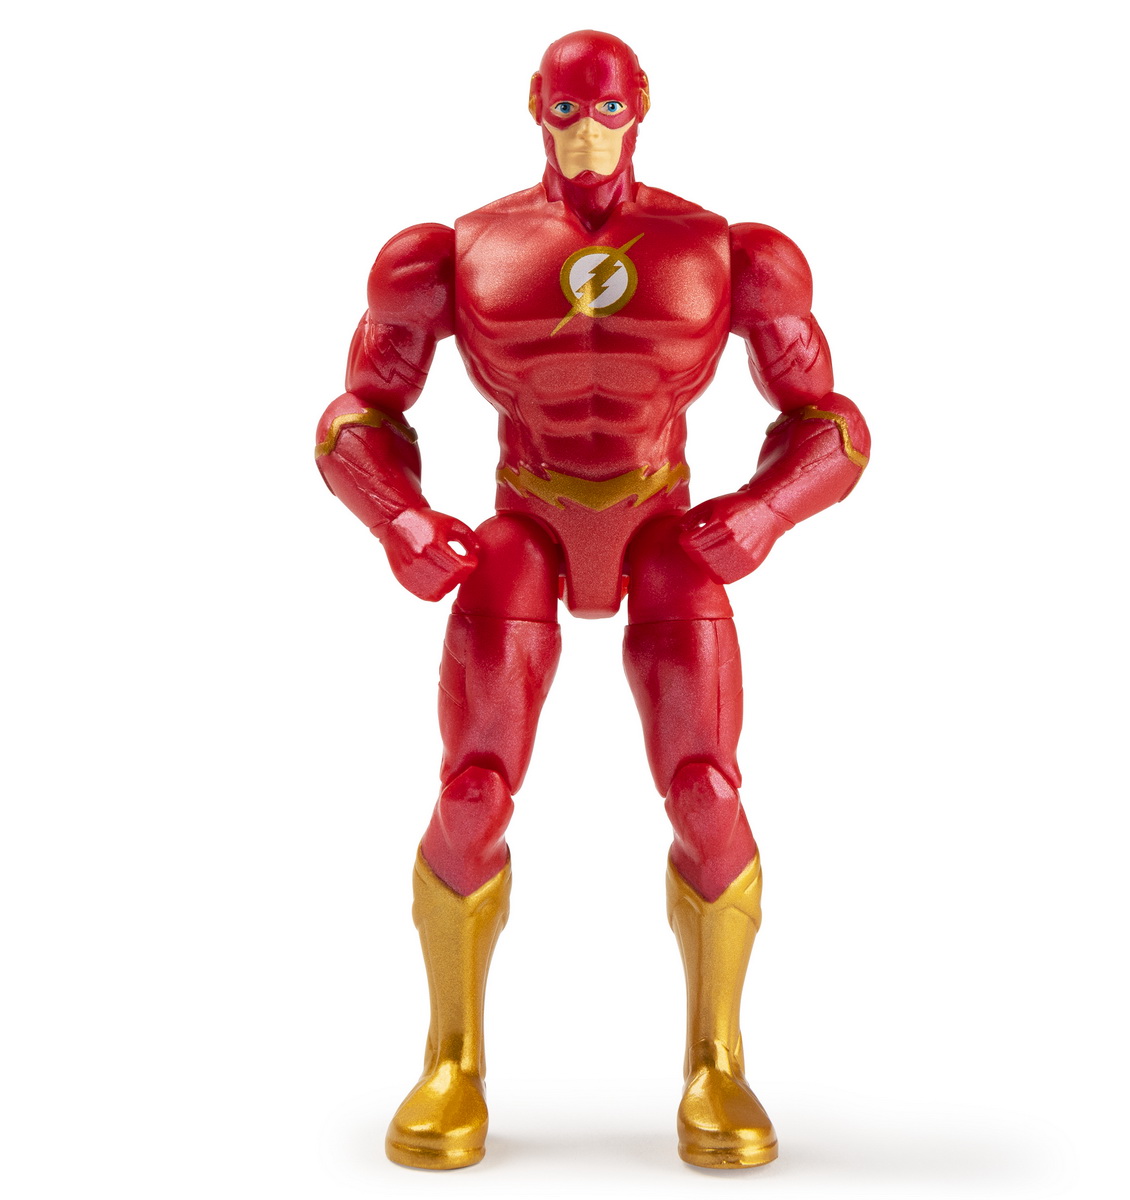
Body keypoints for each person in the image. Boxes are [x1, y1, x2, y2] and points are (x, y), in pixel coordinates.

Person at [315, 29, 870, 1170]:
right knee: (472, 790)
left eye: (606, 110)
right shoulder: (454, 253)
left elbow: (834, 424)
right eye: (567, 111)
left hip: (666, 527)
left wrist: (764, 511)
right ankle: (451, 1058)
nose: (586, 134)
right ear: (535, 106)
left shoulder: (726, 252)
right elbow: (356, 416)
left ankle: (717, 1061)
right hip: (522, 525)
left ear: (642, 106)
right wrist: (399, 519)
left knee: (706, 791)